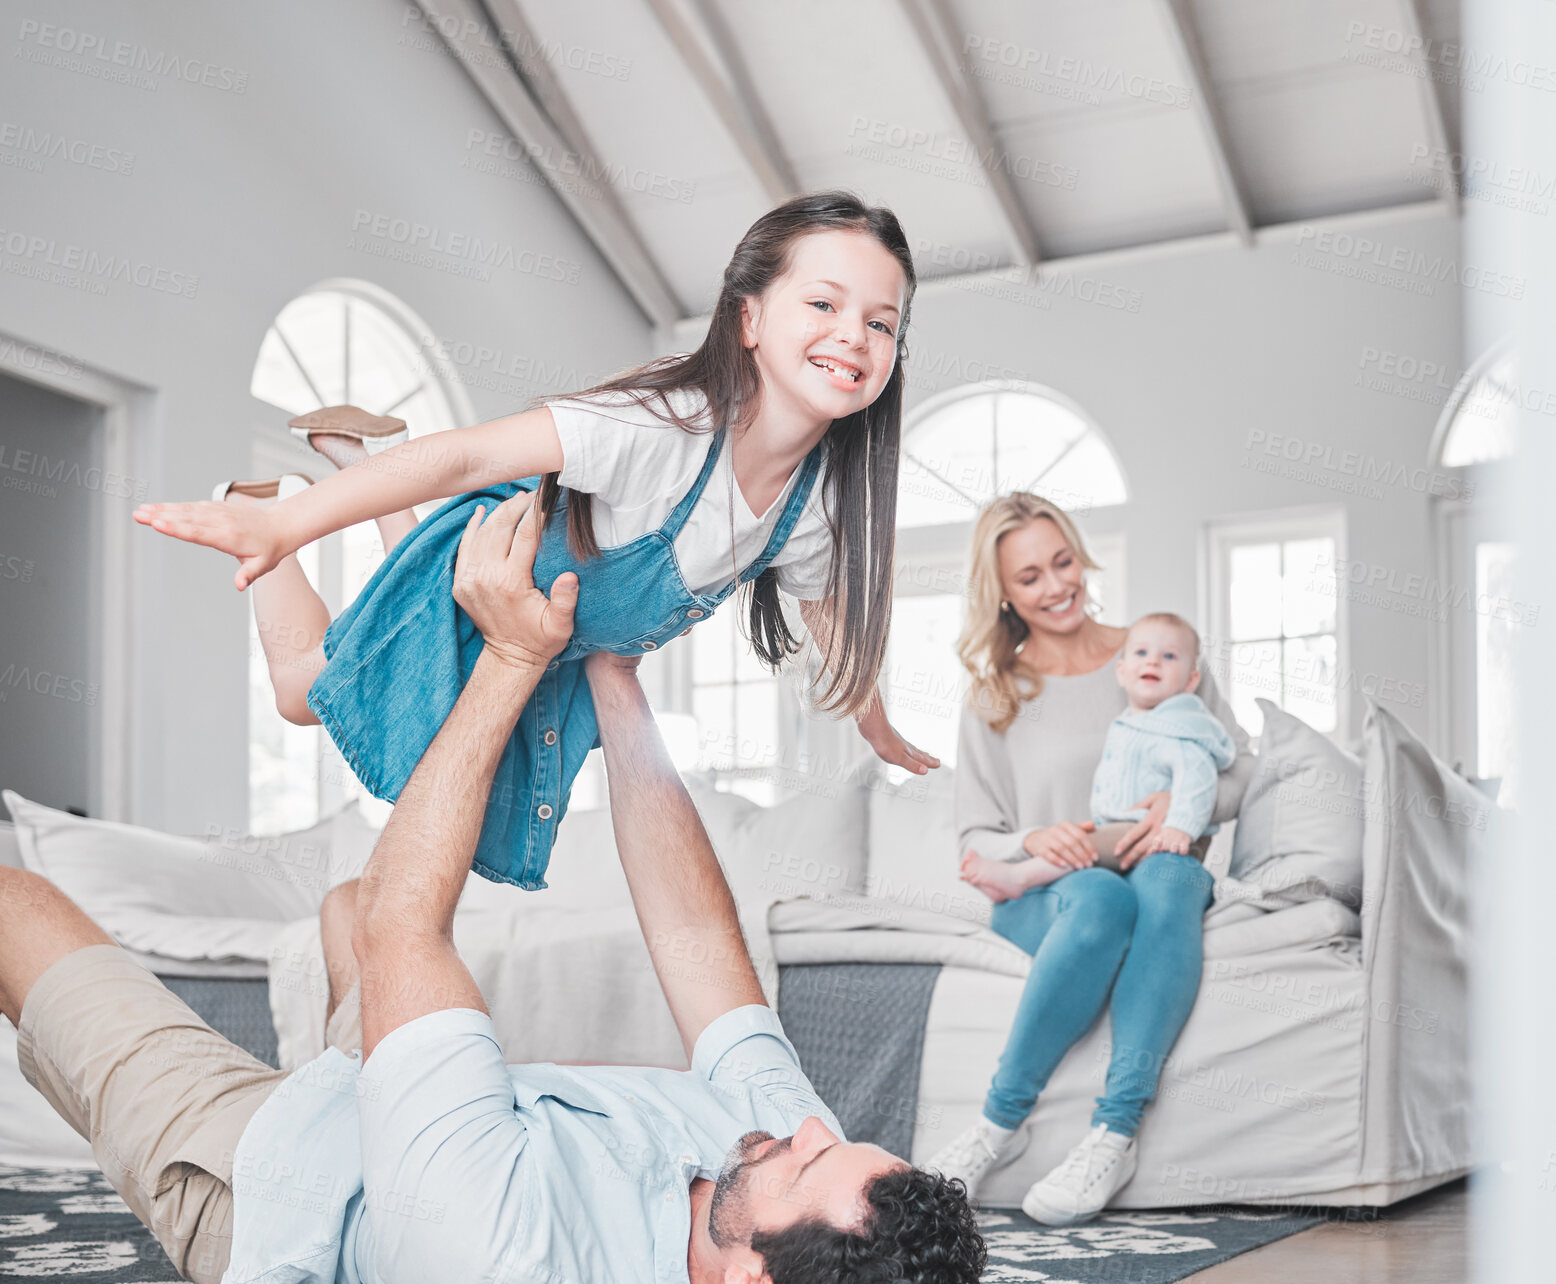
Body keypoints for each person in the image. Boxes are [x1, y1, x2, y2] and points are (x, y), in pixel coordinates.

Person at [0, 490, 985, 1284]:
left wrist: (515, 657)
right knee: (345, 905)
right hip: (409, 1121)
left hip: (270, 1175)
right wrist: (612, 671)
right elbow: (693, 940)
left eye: (812, 1161)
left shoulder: (506, 1255)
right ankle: (363, 1057)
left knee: (20, 904)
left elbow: (406, 930)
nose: (813, 1127)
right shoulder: (787, 1161)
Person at [131, 190, 938, 892]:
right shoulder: (663, 428)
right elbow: (468, 455)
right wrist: (283, 528)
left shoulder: (818, 500)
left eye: (880, 322)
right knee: (299, 695)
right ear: (750, 317)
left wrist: (872, 721)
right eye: (824, 305)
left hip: (549, 643)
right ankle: (257, 500)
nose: (854, 336)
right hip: (493, 570)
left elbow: (824, 603)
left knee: (459, 785)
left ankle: (358, 459)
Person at [925, 492, 1253, 1227]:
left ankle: (1114, 1133)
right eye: (1031, 576)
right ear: (1003, 594)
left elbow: (1237, 771)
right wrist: (1034, 840)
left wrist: (1181, 806)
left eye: (1063, 561)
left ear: (1081, 553)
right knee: (1102, 897)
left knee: (1172, 875)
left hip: (1152, 871)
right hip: (1048, 894)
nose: (1057, 586)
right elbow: (975, 837)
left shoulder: (1155, 651)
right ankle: (995, 1128)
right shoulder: (995, 694)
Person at [959, 610, 1236, 891]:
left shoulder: (1182, 728)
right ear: (1121, 671)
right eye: (1141, 652)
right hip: (1120, 843)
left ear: (1191, 680)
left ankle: (1022, 876)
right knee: (1085, 854)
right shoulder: (1135, 720)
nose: (1153, 660)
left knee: (1082, 846)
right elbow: (973, 834)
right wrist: (1031, 840)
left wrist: (1179, 815)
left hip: (1153, 835)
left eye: (1169, 657)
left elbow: (1203, 775)